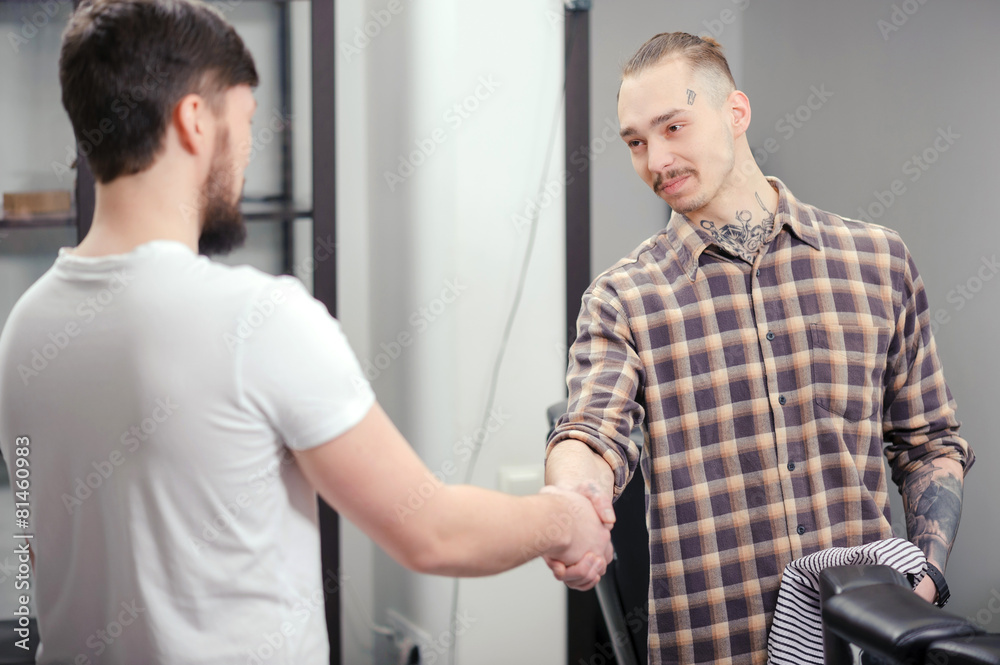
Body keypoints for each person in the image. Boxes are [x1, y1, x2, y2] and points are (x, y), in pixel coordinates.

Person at [0, 1, 612, 662]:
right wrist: (568, 518)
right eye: (248, 122)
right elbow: (431, 530)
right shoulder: (255, 320)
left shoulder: (25, 329)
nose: (251, 151)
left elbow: (35, 546)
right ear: (195, 121)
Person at [544, 32, 974, 665]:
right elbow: (591, 433)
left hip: (863, 639)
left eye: (673, 126)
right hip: (711, 646)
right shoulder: (623, 298)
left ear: (735, 112)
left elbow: (929, 440)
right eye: (635, 141)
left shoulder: (877, 261)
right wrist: (571, 504)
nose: (655, 159)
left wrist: (928, 573)